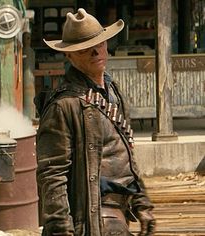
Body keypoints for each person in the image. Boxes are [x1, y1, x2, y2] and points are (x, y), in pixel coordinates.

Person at [35, 8, 156, 236]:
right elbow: (52, 175)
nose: (96, 52)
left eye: (99, 43)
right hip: (90, 221)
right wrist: (61, 229)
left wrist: (142, 203)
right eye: (84, 49)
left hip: (119, 217)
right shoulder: (63, 105)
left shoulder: (112, 92)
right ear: (69, 56)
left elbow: (126, 154)